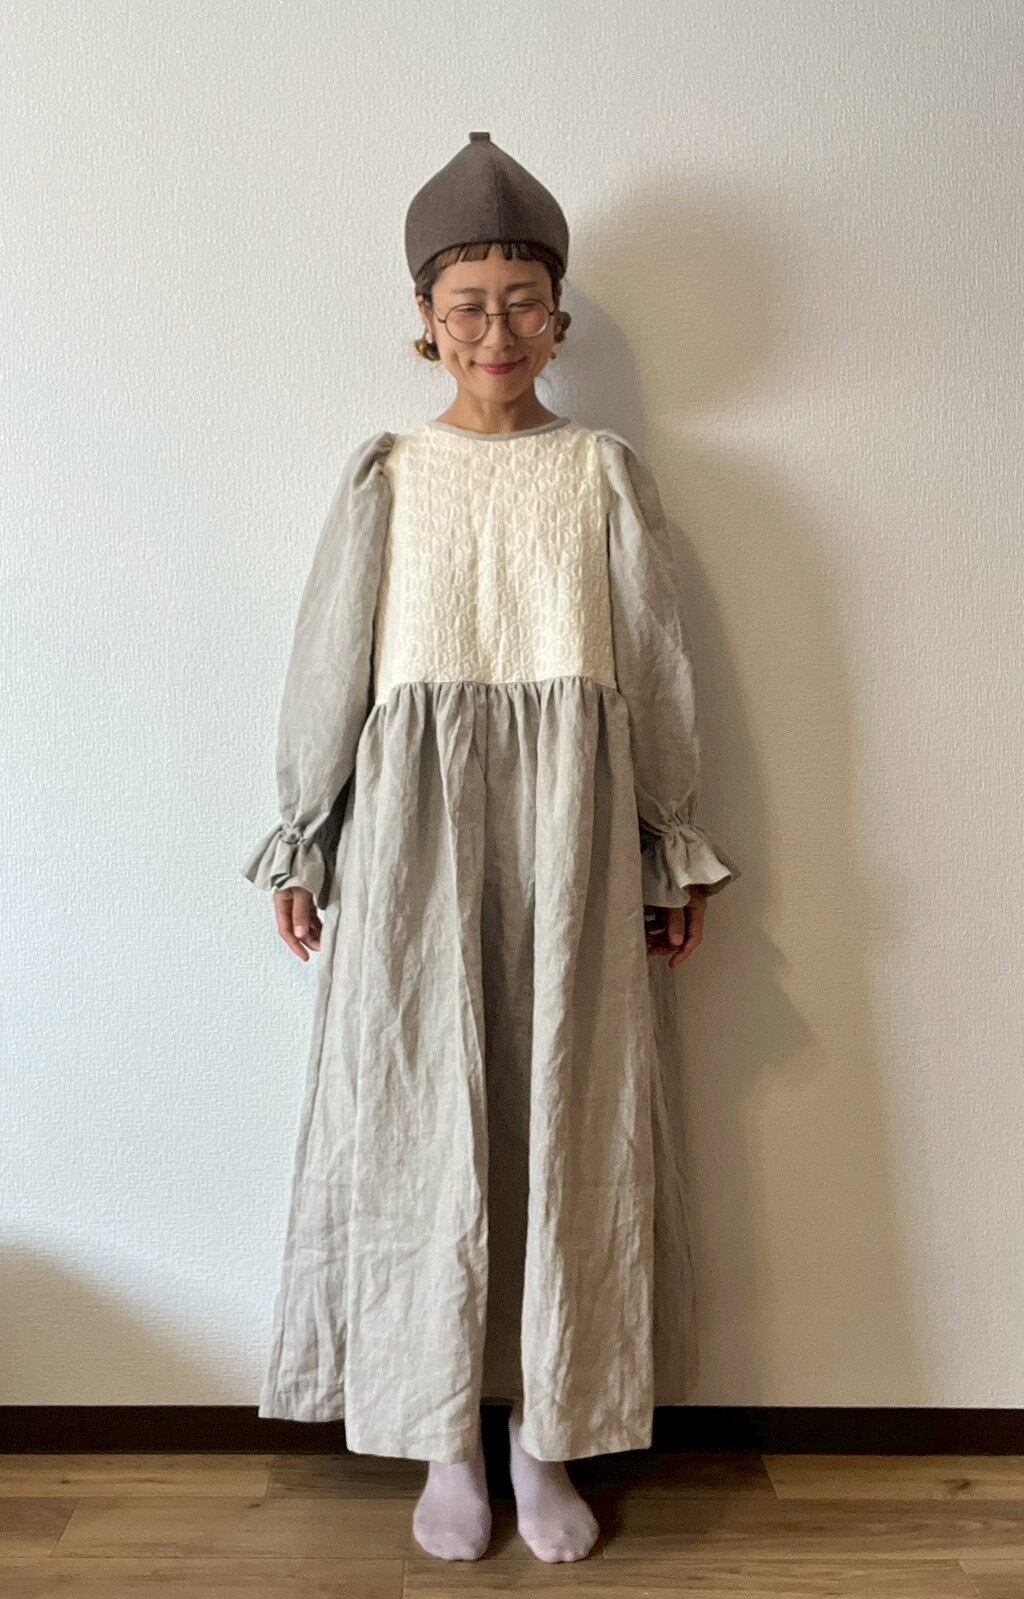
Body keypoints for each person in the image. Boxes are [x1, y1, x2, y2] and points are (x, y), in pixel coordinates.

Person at [241, 131, 741, 1565]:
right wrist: (306, 833)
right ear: (425, 318)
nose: (498, 332)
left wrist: (668, 842)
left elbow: (654, 666)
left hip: (573, 827)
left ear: (559, 317)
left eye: (525, 302)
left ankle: (547, 1435)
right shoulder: (388, 475)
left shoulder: (601, 472)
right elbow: (331, 665)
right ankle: (442, 1435)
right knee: (419, 1114)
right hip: (413, 834)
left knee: (571, 1115)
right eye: (469, 305)